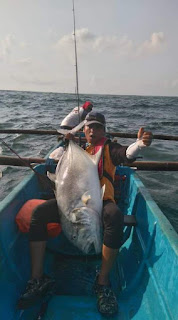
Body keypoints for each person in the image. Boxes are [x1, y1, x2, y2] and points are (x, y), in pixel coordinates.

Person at [17, 111, 153, 316]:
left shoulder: (108, 148)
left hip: (102, 200)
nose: (93, 130)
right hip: (72, 202)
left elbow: (125, 154)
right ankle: (37, 278)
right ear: (84, 130)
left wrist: (140, 144)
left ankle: (103, 283)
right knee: (39, 214)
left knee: (114, 215)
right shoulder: (78, 149)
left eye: (98, 127)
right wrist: (65, 143)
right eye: (89, 127)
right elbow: (56, 161)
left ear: (104, 131)